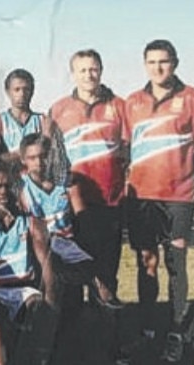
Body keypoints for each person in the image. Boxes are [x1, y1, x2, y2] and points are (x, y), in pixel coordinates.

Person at [125, 39, 194, 363]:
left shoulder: (191, 98)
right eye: (152, 62)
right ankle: (148, 330)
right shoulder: (132, 102)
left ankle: (177, 332)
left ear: (176, 63)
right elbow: (125, 149)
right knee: (146, 264)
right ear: (144, 64)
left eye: (164, 61)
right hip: (142, 198)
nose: (158, 68)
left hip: (179, 197)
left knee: (176, 264)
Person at [49, 49, 126, 309]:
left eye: (93, 69)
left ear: (101, 70)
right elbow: (51, 157)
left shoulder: (118, 106)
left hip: (109, 202)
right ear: (73, 74)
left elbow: (129, 151)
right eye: (82, 70)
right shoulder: (59, 109)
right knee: (74, 272)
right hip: (73, 206)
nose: (88, 75)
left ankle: (106, 338)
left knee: (106, 273)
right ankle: (76, 335)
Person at [0, 157, 57, 365]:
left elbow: (47, 267)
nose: (3, 191)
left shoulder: (31, 222)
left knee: (38, 310)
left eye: (8, 186)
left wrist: (50, 304)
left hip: (23, 290)